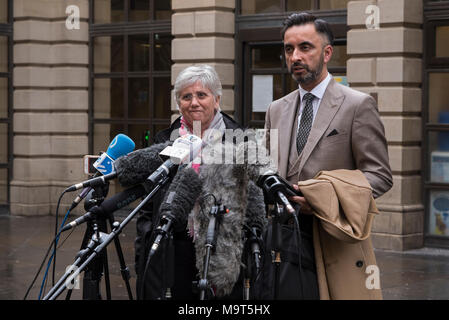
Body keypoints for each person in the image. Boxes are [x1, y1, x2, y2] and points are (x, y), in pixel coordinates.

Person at [262, 12, 393, 299]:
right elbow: (270, 168)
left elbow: (380, 176)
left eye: (305, 47)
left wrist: (323, 199)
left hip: (335, 240)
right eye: (288, 49)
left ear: (327, 53)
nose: (295, 56)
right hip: (283, 242)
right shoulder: (276, 109)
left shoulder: (357, 106)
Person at [134, 64, 249, 300]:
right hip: (174, 250)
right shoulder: (165, 141)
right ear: (179, 103)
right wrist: (144, 252)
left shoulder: (240, 141)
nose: (194, 102)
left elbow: (251, 203)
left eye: (201, 95)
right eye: (186, 96)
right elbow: (148, 206)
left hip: (220, 249)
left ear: (216, 100)